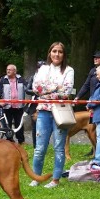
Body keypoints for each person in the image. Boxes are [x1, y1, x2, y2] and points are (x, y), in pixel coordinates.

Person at [30, 42, 74, 188]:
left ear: (64, 54)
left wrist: (46, 90)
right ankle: (36, 177)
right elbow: (36, 87)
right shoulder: (43, 68)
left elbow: (67, 91)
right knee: (40, 148)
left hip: (61, 112)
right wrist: (56, 87)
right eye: (54, 51)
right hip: (43, 111)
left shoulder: (69, 70)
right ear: (49, 53)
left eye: (60, 52)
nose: (57, 54)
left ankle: (55, 180)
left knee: (59, 147)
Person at [0, 64, 29, 144]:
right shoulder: (3, 79)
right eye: (7, 69)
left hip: (18, 106)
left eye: (10, 69)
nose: (8, 71)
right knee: (7, 124)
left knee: (19, 124)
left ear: (15, 71)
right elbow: (0, 91)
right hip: (7, 106)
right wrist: (0, 100)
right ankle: (10, 140)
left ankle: (21, 141)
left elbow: (27, 89)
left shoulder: (21, 79)